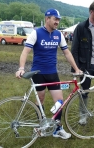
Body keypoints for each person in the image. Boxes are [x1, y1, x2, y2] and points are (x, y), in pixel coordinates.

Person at [16, 8, 82, 139]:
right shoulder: (36, 33)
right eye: (55, 19)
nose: (57, 22)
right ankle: (41, 125)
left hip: (52, 72)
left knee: (59, 101)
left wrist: (76, 68)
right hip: (38, 73)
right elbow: (25, 51)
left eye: (58, 19)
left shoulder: (59, 34)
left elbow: (67, 53)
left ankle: (57, 128)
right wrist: (21, 68)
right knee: (40, 100)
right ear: (47, 19)